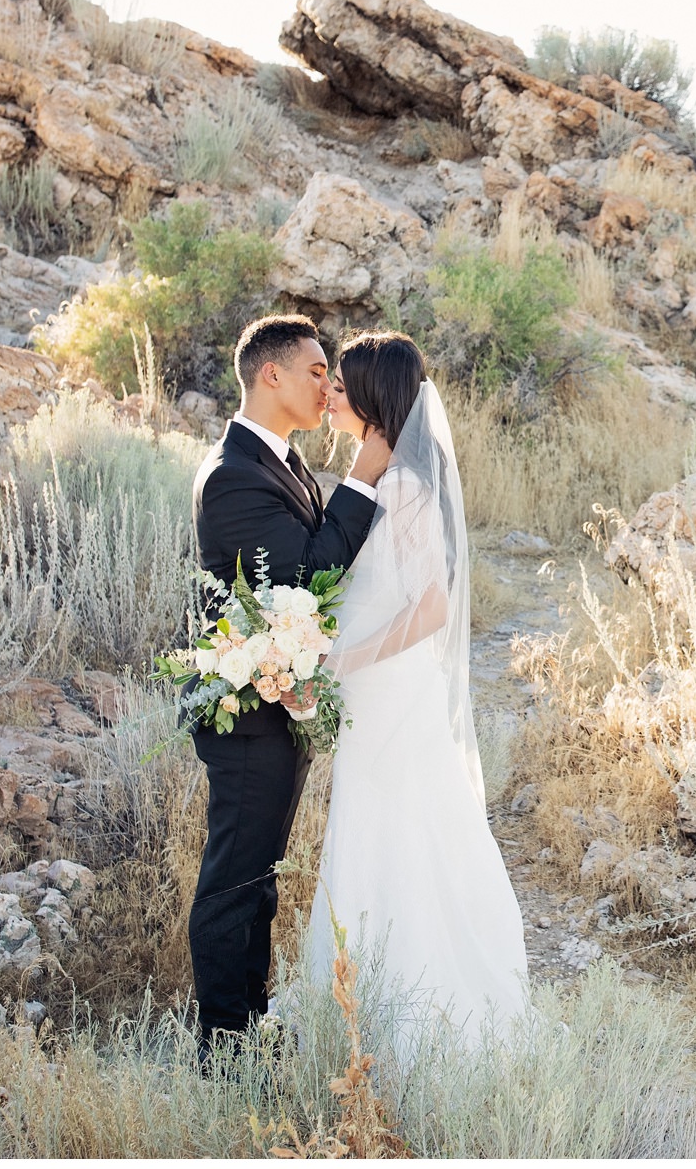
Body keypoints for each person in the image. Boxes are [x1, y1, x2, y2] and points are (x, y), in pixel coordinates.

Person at [304, 330, 528, 1050]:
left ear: (371, 398)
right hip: (380, 690)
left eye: (340, 386)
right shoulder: (388, 476)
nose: (330, 396)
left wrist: (346, 661)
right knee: (378, 831)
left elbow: (430, 605)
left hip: (389, 689)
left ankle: (412, 1021)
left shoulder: (402, 485)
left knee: (394, 832)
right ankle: (364, 1008)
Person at [186, 314, 391, 1049]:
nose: (328, 384)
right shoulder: (234, 475)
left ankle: (249, 1025)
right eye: (315, 371)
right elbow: (309, 574)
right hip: (246, 720)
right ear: (270, 375)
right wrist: (365, 473)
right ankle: (219, 1048)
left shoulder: (285, 462)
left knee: (258, 880)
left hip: (283, 709)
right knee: (233, 882)